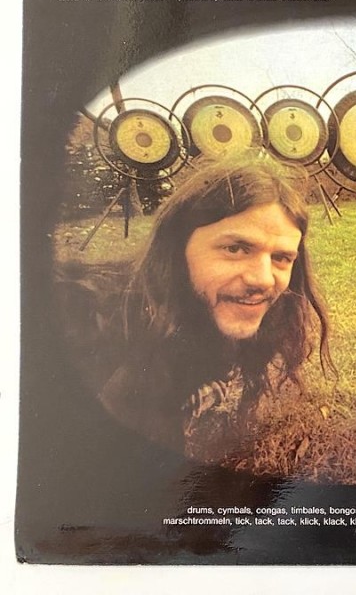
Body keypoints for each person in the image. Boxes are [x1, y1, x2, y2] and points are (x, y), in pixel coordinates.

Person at [58, 154, 333, 459]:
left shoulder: (204, 316)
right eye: (235, 249)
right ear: (178, 246)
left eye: (281, 258)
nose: (263, 280)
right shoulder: (83, 325)